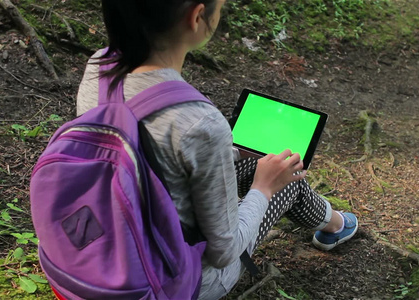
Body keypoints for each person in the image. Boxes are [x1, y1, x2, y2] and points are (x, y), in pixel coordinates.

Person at [76, 0, 359, 299]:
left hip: (104, 243)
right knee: (286, 182)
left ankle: (332, 221)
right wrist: (264, 188)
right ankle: (335, 225)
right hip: (175, 281)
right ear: (197, 17)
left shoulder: (100, 67)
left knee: (261, 165)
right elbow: (223, 251)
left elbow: (149, 156)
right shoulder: (199, 122)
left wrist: (229, 152)